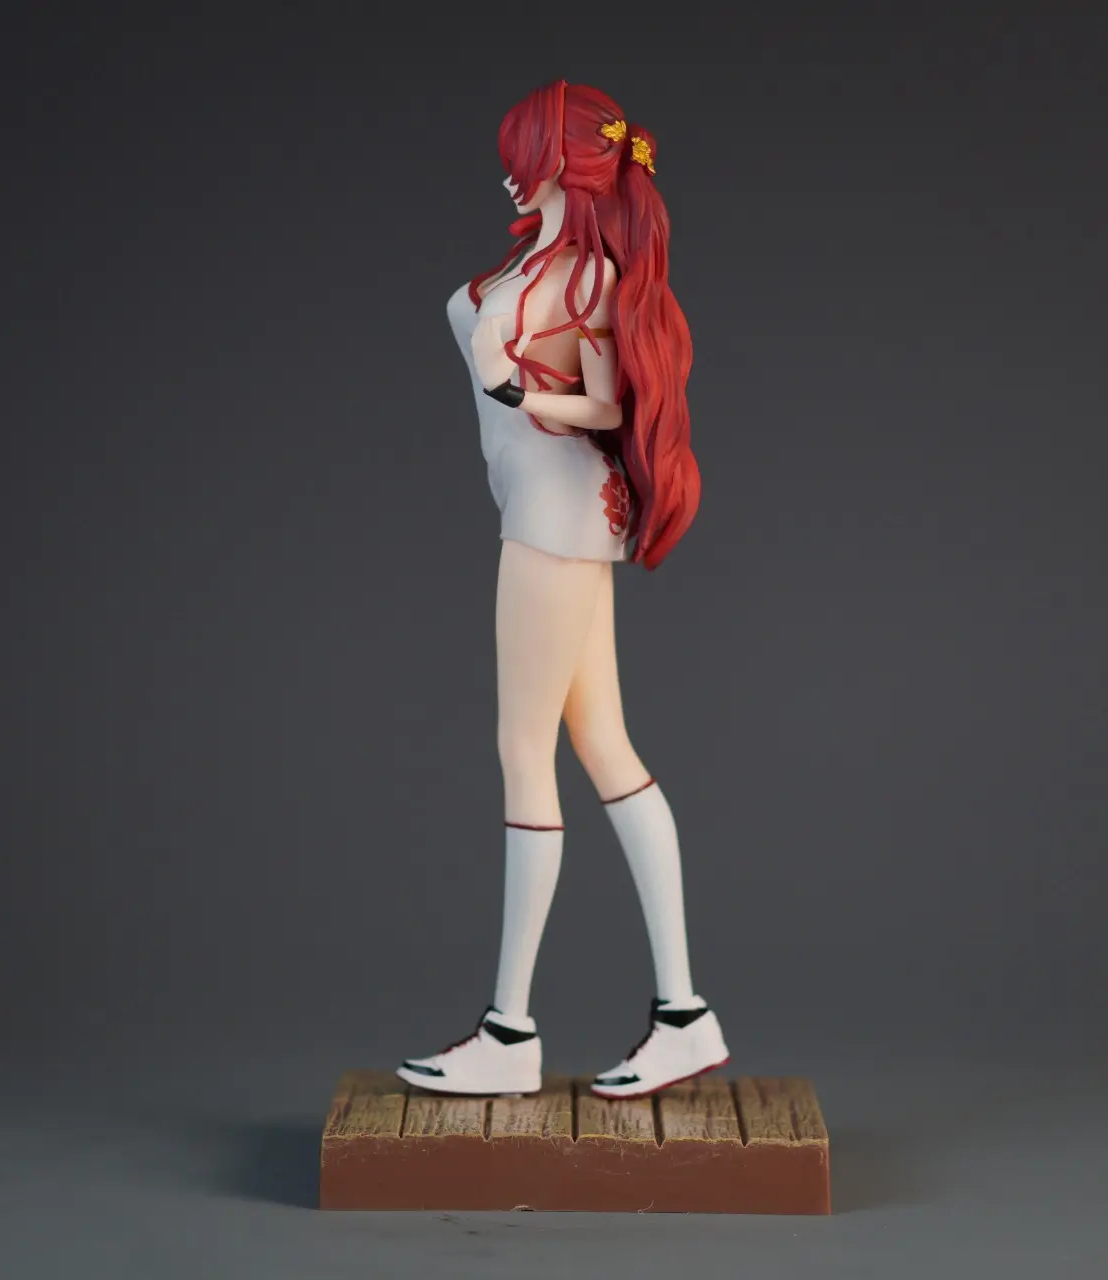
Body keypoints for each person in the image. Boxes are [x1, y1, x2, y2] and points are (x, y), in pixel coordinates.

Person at [395, 81, 728, 1099]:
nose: (512, 169)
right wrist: (524, 387)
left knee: (523, 751)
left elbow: (607, 399)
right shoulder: (540, 263)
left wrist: (523, 392)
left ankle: (509, 1030)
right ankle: (683, 1016)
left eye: (529, 152)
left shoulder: (585, 272)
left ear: (564, 164)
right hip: (557, 509)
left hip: (551, 514)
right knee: (603, 746)